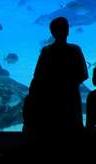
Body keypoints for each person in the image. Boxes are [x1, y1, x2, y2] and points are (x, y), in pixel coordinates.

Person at [25, 16, 88, 158]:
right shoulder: (75, 50)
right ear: (68, 31)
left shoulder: (46, 51)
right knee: (73, 131)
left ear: (52, 33)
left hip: (51, 99)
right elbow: (83, 75)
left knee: (52, 132)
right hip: (71, 97)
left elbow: (38, 76)